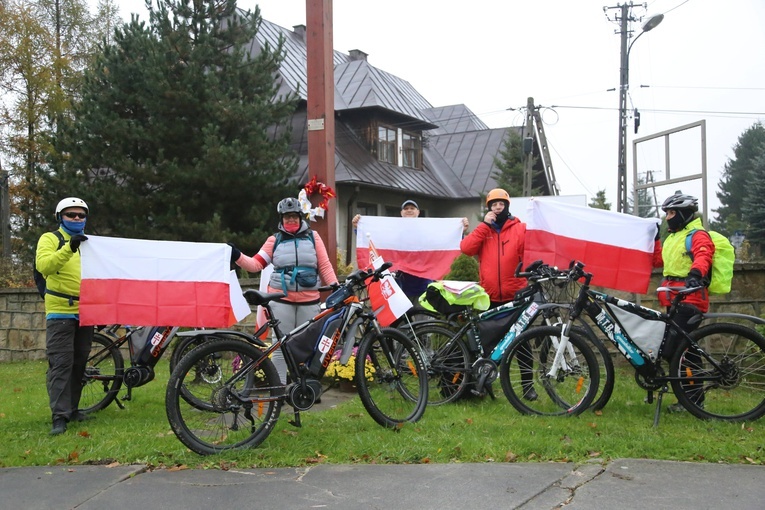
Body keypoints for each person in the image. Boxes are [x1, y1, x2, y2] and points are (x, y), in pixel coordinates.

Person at [230, 197, 339, 383]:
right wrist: (237, 255)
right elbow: (256, 264)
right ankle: (279, 389)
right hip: (282, 301)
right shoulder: (275, 240)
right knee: (280, 347)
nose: (291, 220)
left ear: (300, 217)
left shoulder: (314, 237)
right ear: (281, 219)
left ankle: (304, 389)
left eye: (294, 217)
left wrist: (336, 288)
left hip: (309, 301)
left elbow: (325, 266)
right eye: (287, 217)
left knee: (308, 347)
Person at [460, 188, 535, 400]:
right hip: (490, 297)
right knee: (489, 345)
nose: (497, 207)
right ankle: (484, 387)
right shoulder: (485, 231)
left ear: (507, 205)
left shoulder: (520, 228)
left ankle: (528, 387)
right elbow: (466, 248)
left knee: (522, 342)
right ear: (489, 208)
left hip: (516, 296)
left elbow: (532, 251)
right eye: (493, 204)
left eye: (501, 203)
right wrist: (484, 225)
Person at [35, 197, 94, 435]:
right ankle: (59, 416)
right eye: (71, 215)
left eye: (81, 215)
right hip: (60, 310)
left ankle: (73, 409)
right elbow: (44, 266)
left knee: (79, 363)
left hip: (86, 310)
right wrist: (69, 248)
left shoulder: (91, 243)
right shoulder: (50, 239)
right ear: (60, 217)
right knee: (61, 363)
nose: (77, 219)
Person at [652, 191, 714, 412]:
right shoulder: (672, 237)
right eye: (667, 213)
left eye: (671, 212)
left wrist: (696, 274)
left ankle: (692, 401)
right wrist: (654, 239)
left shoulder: (697, 235)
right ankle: (692, 400)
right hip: (673, 300)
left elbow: (704, 255)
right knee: (685, 350)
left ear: (684, 213)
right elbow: (659, 261)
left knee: (676, 349)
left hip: (691, 299)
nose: (668, 217)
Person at [352, 199, 469, 299]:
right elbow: (374, 240)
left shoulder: (428, 229)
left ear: (418, 212)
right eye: (406, 208)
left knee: (420, 321)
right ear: (401, 212)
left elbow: (443, 241)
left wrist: (459, 231)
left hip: (422, 282)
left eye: (412, 208)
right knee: (400, 323)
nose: (409, 210)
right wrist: (360, 228)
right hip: (399, 284)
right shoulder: (392, 230)